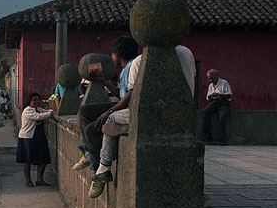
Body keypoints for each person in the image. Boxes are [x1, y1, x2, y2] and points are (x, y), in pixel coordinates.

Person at [90, 45, 197, 198]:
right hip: (185, 114)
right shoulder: (186, 52)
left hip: (151, 115)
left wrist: (110, 111)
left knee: (111, 119)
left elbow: (131, 98)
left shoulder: (139, 62)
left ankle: (103, 167)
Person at [72, 37, 138, 175]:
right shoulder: (126, 69)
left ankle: (97, 168)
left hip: (127, 110)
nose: (112, 57)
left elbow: (130, 97)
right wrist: (104, 82)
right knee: (85, 111)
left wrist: (109, 112)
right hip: (122, 105)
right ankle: (88, 151)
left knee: (92, 129)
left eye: (112, 54)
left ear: (117, 53)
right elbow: (122, 94)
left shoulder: (132, 66)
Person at [16, 92, 57, 187]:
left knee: (43, 158)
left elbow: (44, 112)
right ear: (30, 101)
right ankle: (28, 180)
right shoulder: (28, 110)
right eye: (34, 100)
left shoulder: (38, 109)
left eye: (38, 100)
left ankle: (40, 179)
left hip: (38, 137)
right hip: (27, 138)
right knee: (27, 160)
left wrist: (52, 110)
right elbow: (38, 117)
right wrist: (51, 113)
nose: (36, 102)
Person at [203, 69, 232, 146]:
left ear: (216, 76)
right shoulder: (210, 86)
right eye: (209, 78)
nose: (210, 80)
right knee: (206, 112)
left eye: (211, 78)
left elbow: (229, 95)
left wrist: (219, 95)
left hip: (223, 103)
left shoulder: (224, 83)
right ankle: (207, 136)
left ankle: (222, 140)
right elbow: (207, 97)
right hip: (214, 102)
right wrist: (211, 95)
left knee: (222, 118)